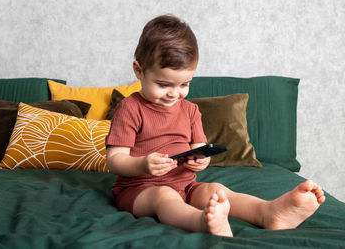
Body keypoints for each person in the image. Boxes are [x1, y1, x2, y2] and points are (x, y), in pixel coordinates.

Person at [105, 14, 325, 237]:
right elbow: (115, 160)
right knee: (164, 197)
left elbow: (200, 147)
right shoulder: (130, 108)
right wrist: (143, 165)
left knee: (217, 190)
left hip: (185, 185)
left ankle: (268, 212)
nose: (174, 93)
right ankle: (201, 222)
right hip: (140, 190)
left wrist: (201, 160)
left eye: (184, 84)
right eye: (163, 84)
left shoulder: (190, 111)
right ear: (139, 71)